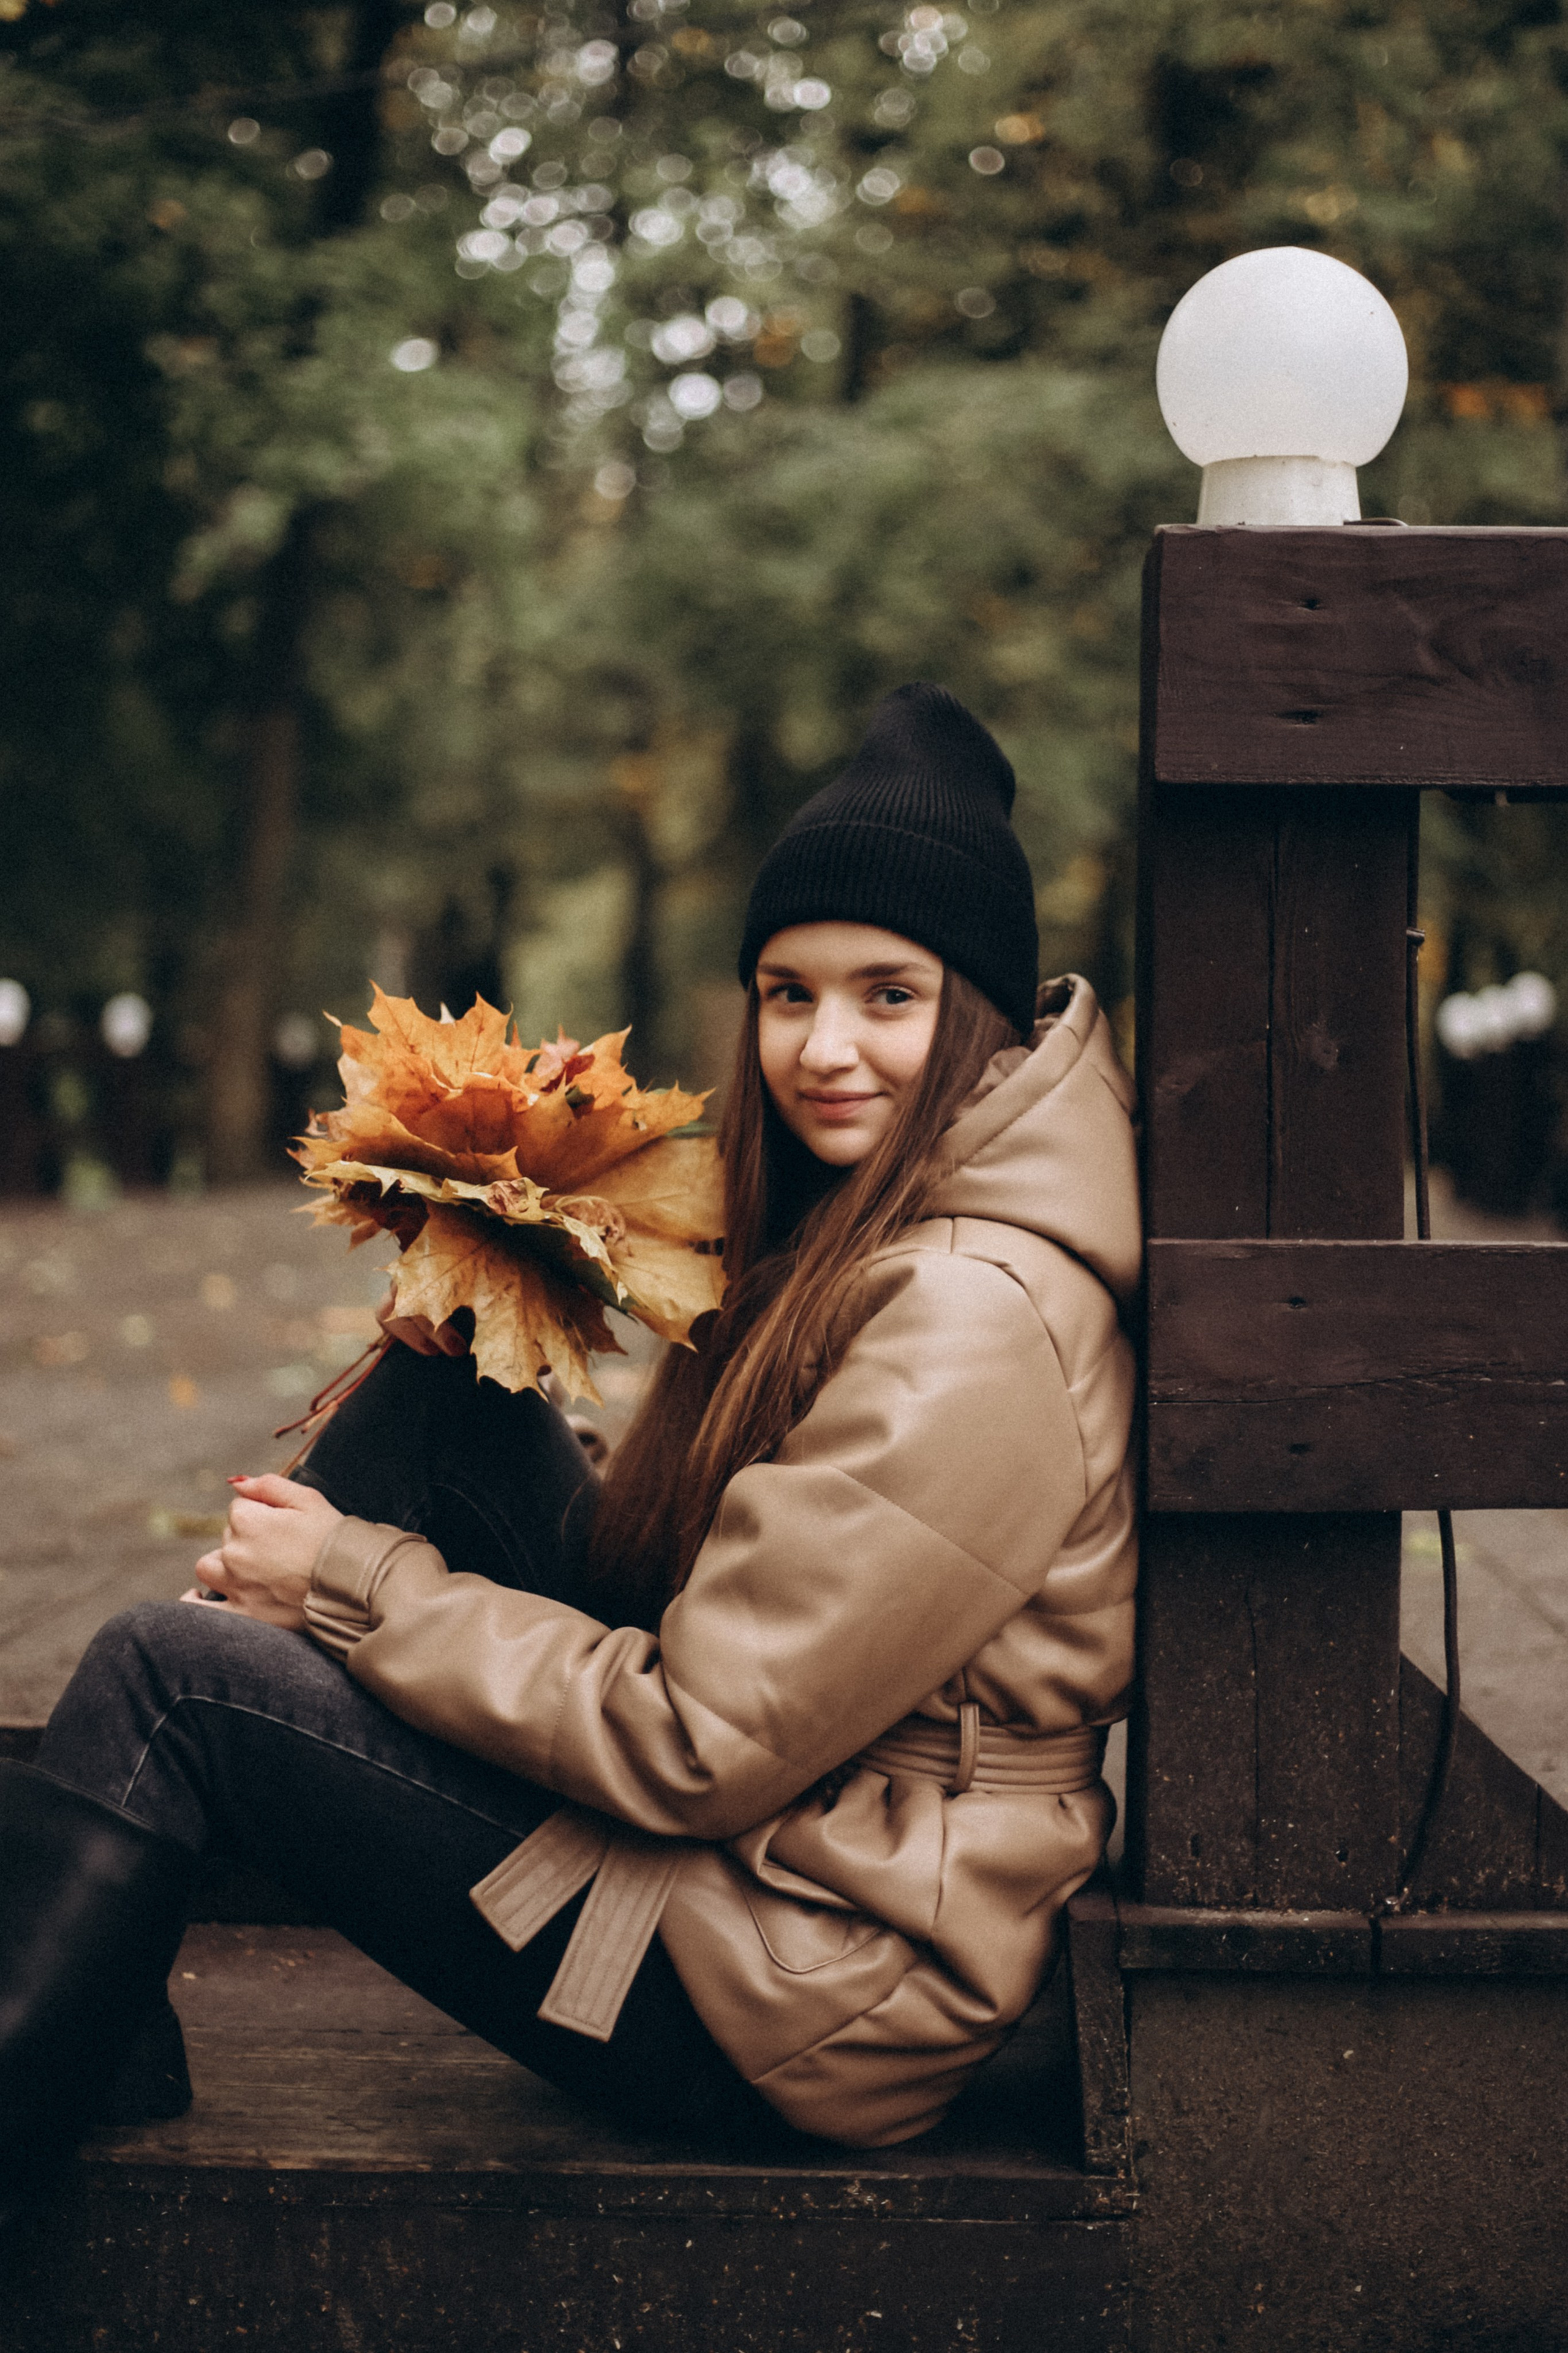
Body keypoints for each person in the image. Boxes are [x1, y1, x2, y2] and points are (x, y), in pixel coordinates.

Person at [0, 682, 1139, 2211]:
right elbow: (763, 1602)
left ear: (975, 1016)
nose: (823, 1046)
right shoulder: (898, 1227)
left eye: (889, 995)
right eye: (787, 993)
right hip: (796, 1849)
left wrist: (352, 1580)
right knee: (451, 1398)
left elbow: (697, 1745)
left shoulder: (972, 1318)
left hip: (803, 1979)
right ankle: (92, 2011)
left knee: (171, 1679)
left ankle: (53, 2042)